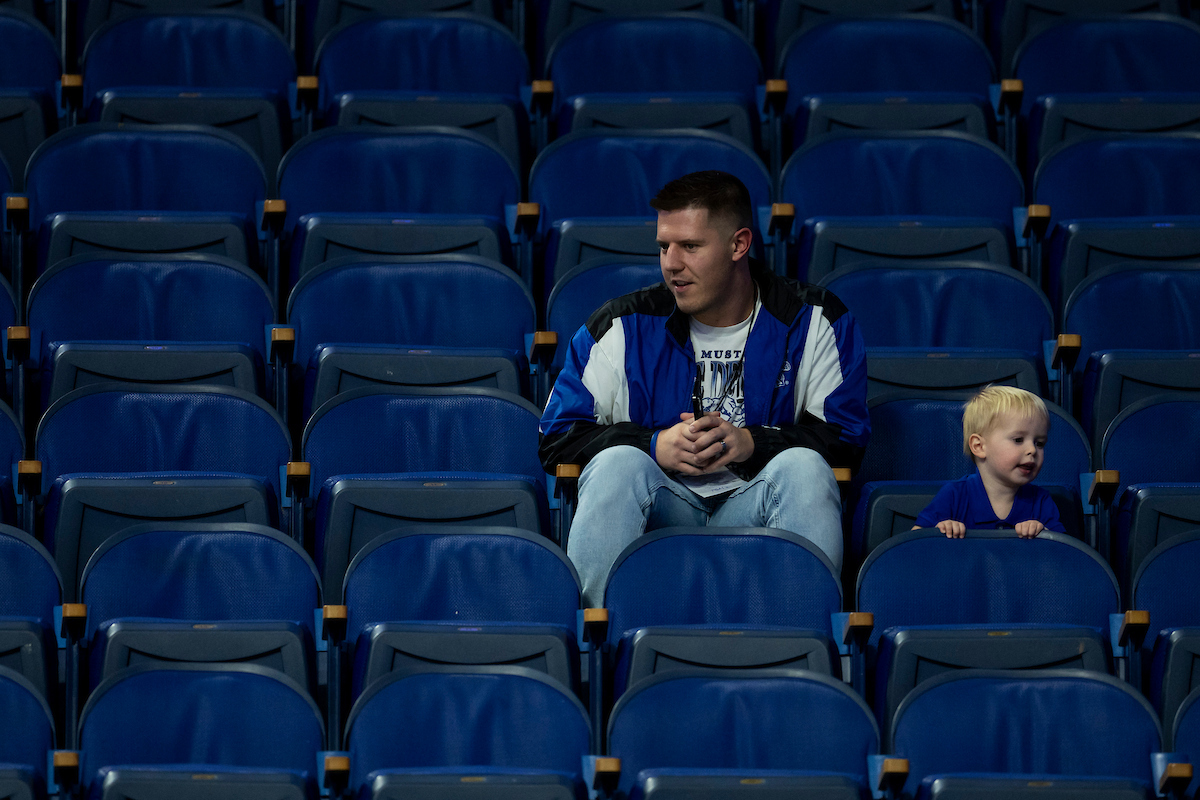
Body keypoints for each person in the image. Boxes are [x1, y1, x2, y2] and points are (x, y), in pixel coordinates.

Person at [539, 170, 870, 606]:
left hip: (756, 500)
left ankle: (802, 632)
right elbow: (557, 438)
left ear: (739, 244)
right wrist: (653, 445)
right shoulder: (620, 326)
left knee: (806, 468)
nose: (671, 263)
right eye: (664, 246)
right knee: (617, 463)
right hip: (663, 504)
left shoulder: (814, 320)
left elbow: (846, 439)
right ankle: (596, 633)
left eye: (690, 246)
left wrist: (753, 443)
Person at [913, 385, 1065, 539]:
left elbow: (1063, 550)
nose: (1032, 450)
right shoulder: (954, 495)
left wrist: (1043, 534)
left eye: (1039, 443)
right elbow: (914, 543)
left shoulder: (1041, 501)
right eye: (1018, 440)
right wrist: (939, 532)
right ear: (979, 446)